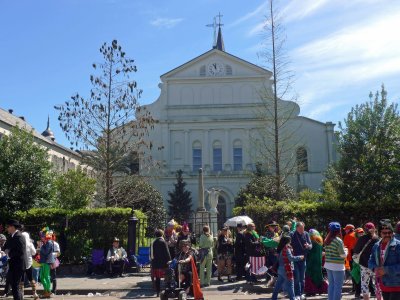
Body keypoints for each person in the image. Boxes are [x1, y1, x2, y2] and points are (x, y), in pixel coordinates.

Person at [369, 219, 400, 300]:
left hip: (396, 284)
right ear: (380, 233)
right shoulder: (376, 245)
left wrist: (386, 270)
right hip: (383, 284)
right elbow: (370, 260)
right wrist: (374, 268)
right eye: (384, 233)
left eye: (389, 232)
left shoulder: (398, 245)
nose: (387, 235)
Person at [271, 235, 304, 300]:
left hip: (280, 269)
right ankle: (293, 298)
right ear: (287, 241)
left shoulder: (280, 248)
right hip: (286, 269)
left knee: (278, 285)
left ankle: (274, 298)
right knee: (290, 285)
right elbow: (291, 258)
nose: (291, 241)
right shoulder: (287, 248)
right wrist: (300, 257)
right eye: (290, 240)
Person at [353, 222, 379, 300]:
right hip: (375, 264)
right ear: (374, 228)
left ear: (365, 229)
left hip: (364, 264)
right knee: (377, 283)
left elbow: (356, 250)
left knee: (364, 283)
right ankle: (378, 297)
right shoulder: (377, 239)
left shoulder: (361, 238)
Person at [324, 221, 348, 300]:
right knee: (338, 286)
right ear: (338, 231)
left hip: (328, 265)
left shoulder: (326, 240)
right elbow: (342, 255)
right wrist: (346, 251)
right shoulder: (338, 241)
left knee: (331, 285)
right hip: (338, 266)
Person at [290, 221, 312, 300]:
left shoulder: (306, 234)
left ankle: (302, 293)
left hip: (303, 259)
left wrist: (308, 246)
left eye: (303, 228)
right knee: (297, 278)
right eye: (301, 228)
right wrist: (290, 248)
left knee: (302, 278)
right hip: (295, 259)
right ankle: (297, 294)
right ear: (297, 228)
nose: (302, 230)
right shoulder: (292, 234)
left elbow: (311, 245)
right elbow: (288, 244)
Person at [5, 219, 26, 300]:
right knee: (13, 285)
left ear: (13, 227)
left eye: (8, 227)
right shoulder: (11, 236)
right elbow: (7, 246)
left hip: (18, 265)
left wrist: (9, 254)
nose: (7, 228)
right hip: (12, 264)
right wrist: (6, 250)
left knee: (15, 286)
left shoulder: (20, 236)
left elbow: (20, 251)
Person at [304, 229, 327, 296]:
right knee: (318, 276)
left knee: (309, 275)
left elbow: (309, 251)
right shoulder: (320, 242)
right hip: (318, 261)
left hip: (311, 261)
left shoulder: (312, 242)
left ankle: (311, 291)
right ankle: (321, 289)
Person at [150, 229, 171, 297]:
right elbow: (166, 252)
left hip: (155, 263)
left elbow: (151, 254)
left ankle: (158, 292)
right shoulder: (163, 242)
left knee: (157, 278)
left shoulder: (153, 242)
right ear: (162, 234)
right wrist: (169, 260)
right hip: (163, 263)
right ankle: (167, 290)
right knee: (167, 276)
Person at [21, 228, 38, 299]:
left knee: (21, 280)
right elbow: (34, 252)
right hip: (29, 263)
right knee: (31, 278)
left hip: (21, 263)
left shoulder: (20, 243)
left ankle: (21, 295)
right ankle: (35, 294)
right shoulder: (30, 244)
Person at [39, 228, 55, 298]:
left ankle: (48, 291)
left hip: (47, 262)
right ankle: (46, 291)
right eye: (41, 236)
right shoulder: (45, 243)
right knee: (41, 277)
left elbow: (46, 252)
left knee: (46, 277)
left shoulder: (49, 243)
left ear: (45, 237)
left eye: (42, 236)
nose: (41, 237)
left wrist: (40, 248)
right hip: (43, 262)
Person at [343, 224, 358, 294]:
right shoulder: (357, 235)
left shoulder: (347, 236)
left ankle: (355, 288)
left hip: (351, 257)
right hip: (359, 256)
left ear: (349, 229)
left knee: (353, 273)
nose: (345, 231)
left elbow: (345, 247)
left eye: (346, 229)